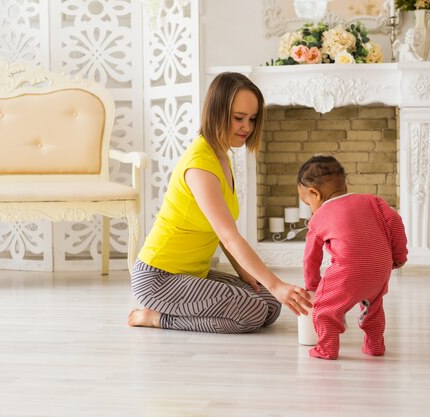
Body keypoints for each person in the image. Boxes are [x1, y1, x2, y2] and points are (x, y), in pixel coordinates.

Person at [128, 72, 312, 333]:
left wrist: (250, 275)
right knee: (253, 312)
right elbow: (228, 237)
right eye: (239, 118)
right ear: (216, 112)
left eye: (252, 119)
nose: (246, 127)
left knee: (269, 305)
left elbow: (220, 230)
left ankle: (170, 311)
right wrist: (276, 283)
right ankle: (156, 317)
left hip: (191, 274)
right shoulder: (201, 165)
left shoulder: (222, 157)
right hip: (159, 279)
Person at [297, 155, 408, 360]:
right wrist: (399, 254)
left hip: (348, 272)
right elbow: (395, 221)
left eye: (307, 202)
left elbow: (310, 257)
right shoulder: (372, 201)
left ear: (314, 193)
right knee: (373, 308)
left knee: (325, 309)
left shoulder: (318, 217)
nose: (309, 208)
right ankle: (375, 345)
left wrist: (313, 286)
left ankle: (327, 348)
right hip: (380, 271)